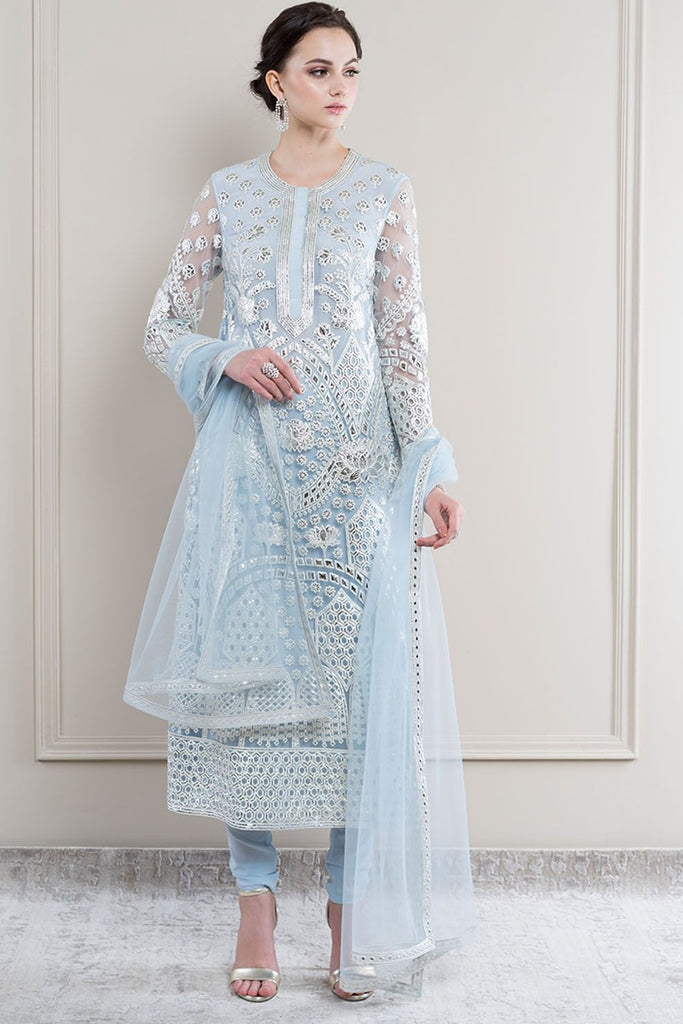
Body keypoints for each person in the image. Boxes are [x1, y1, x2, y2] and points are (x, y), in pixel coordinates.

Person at [124, 0, 477, 1005]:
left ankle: (347, 909)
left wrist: (432, 464)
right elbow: (162, 321)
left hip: (357, 474)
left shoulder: (383, 191)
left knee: (360, 700)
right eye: (319, 69)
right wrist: (222, 355)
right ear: (275, 81)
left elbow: (401, 340)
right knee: (244, 692)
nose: (339, 87)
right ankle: (254, 902)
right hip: (245, 476)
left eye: (351, 70)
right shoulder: (229, 193)